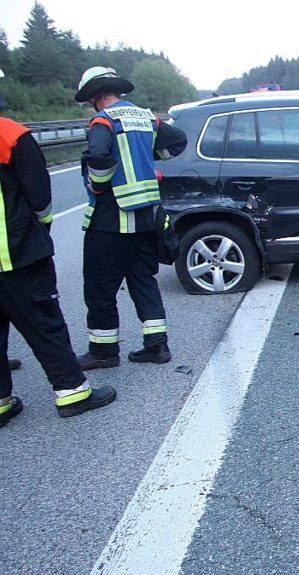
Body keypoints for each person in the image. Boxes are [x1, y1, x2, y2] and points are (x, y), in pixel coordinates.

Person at [0, 75, 116, 426]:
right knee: (44, 323)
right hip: (15, 253)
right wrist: (40, 231)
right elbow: (39, 197)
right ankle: (72, 392)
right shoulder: (10, 135)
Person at [74, 66, 186, 371]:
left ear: (96, 97)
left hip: (112, 217)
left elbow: (98, 158)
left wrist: (97, 183)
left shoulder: (103, 120)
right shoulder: (146, 117)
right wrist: (148, 156)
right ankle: (157, 345)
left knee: (99, 287)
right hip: (147, 216)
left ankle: (103, 351)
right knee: (142, 279)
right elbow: (178, 141)